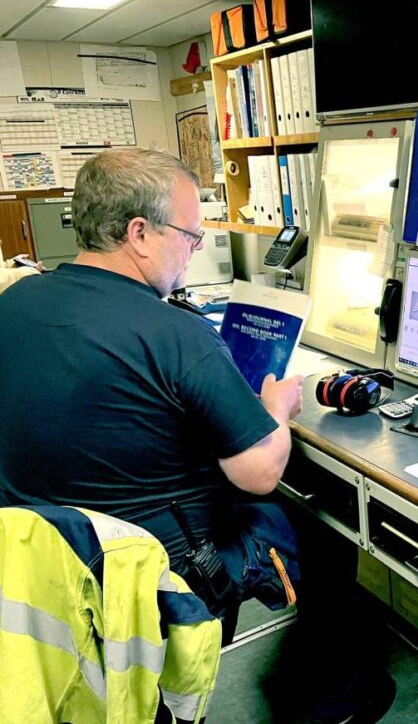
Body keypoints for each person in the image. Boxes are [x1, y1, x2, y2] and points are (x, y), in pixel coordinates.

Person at [0, 149, 394, 723]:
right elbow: (258, 471)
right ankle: (329, 700)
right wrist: (276, 408)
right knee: (324, 529)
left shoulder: (17, 302)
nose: (191, 253)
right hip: (161, 574)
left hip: (40, 565)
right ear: (139, 232)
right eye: (188, 236)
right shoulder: (175, 331)